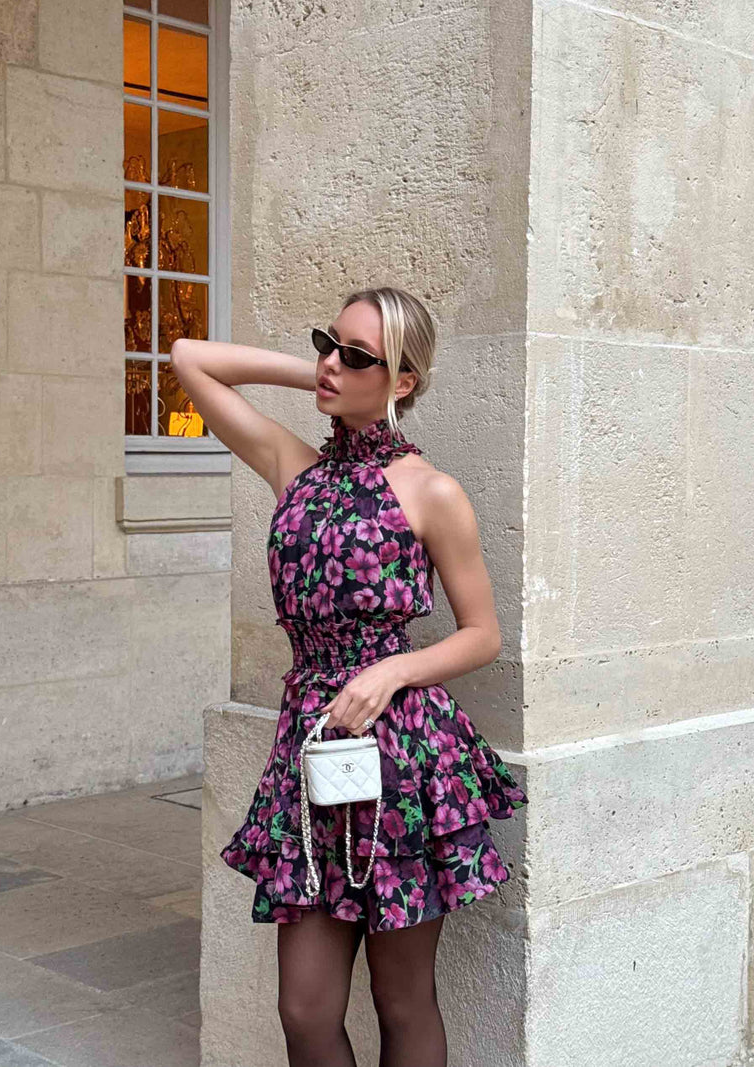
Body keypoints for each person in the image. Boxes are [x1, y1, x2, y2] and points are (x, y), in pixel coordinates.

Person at [172, 287, 529, 1067]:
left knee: (403, 1001)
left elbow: (483, 634)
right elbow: (190, 361)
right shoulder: (293, 466)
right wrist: (322, 376)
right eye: (329, 344)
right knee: (304, 1008)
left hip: (405, 755)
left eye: (357, 356)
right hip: (309, 752)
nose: (333, 363)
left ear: (403, 380)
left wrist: (393, 670)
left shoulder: (433, 492)